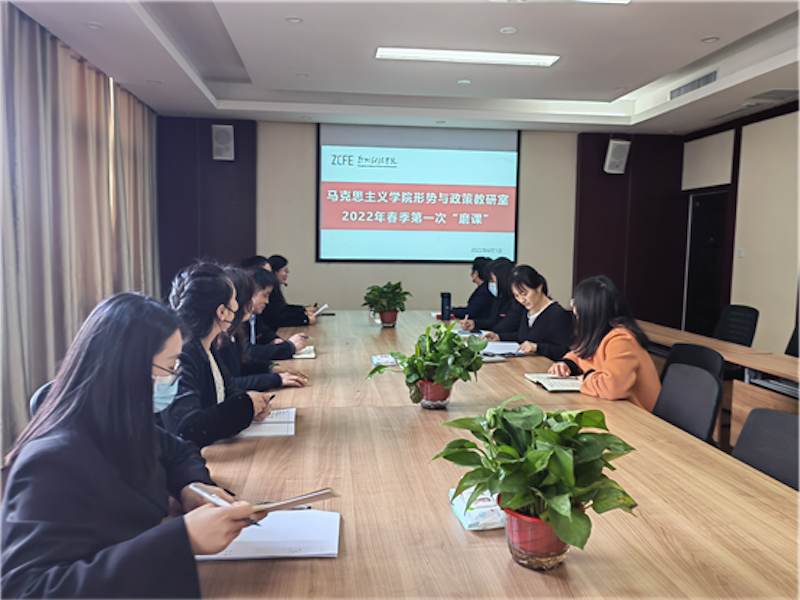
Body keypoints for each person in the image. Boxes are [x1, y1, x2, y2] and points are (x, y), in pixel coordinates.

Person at [0, 293, 260, 599]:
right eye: (171, 367)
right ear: (130, 370)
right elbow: (26, 590)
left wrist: (192, 487)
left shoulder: (120, 423)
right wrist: (181, 539)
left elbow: (179, 451)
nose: (175, 378)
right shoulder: (51, 462)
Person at [160, 263, 272, 447]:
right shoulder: (183, 354)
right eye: (234, 299)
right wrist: (245, 406)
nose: (238, 305)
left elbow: (223, 392)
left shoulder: (207, 345)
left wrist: (252, 405)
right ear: (221, 312)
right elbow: (187, 428)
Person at [548, 275, 661, 412]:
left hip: (637, 416)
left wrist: (587, 377)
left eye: (576, 304)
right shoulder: (599, 333)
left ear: (589, 309)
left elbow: (612, 388)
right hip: (613, 408)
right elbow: (581, 354)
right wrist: (567, 364)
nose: (574, 310)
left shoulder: (621, 339)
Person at [214, 267, 308, 391]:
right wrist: (275, 379)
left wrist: (270, 368)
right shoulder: (218, 337)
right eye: (249, 297)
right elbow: (227, 385)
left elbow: (241, 364)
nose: (252, 302)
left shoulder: (233, 332)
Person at [482, 265, 573, 361]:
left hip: (547, 366)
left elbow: (566, 351)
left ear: (539, 287)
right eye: (516, 296)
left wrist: (538, 347)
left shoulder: (556, 314)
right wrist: (499, 337)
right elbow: (525, 336)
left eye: (524, 294)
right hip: (528, 363)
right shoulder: (528, 309)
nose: (521, 300)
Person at [244, 267, 309, 360]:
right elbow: (248, 353)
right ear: (252, 293)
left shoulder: (254, 315)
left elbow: (265, 332)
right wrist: (289, 347)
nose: (267, 301)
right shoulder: (239, 318)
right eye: (265, 295)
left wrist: (275, 339)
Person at [459, 258, 524, 336]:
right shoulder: (499, 298)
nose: (490, 284)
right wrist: (474, 324)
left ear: (503, 280)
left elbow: (502, 328)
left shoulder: (517, 301)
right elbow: (492, 322)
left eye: (492, 280)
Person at [261, 254, 318, 329]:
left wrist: (303, 310)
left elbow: (283, 308)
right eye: (285, 271)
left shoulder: (275, 288)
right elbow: (277, 317)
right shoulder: (268, 290)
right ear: (275, 271)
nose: (287, 275)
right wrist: (305, 319)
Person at [451, 256, 493, 321]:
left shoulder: (483, 292)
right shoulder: (487, 288)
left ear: (476, 273)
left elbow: (469, 312)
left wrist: (450, 310)